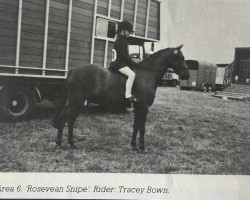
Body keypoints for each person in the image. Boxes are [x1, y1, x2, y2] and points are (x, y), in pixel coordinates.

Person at [110, 20, 138, 108]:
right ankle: (128, 95)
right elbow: (124, 56)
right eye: (129, 32)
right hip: (118, 64)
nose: (129, 34)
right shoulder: (122, 40)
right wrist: (133, 62)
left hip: (118, 63)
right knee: (132, 75)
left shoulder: (120, 39)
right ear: (124, 30)